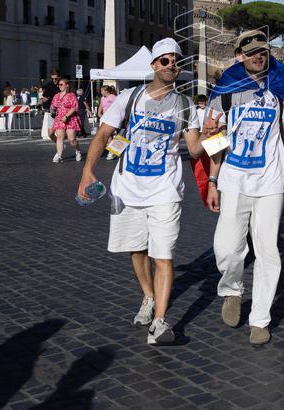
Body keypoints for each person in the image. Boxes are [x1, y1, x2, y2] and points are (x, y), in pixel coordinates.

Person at [77, 37, 204, 346]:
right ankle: (148, 296)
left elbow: (195, 150)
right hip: (128, 188)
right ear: (154, 65)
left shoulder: (185, 105)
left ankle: (159, 321)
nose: (171, 65)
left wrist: (217, 135)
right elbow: (103, 135)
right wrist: (87, 170)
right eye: (165, 60)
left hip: (165, 190)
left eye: (176, 61)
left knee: (163, 255)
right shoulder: (129, 98)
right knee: (137, 250)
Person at [201, 29, 284, 346]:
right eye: (252, 51)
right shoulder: (225, 90)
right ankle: (232, 288)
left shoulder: (280, 87)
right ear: (239, 56)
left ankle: (260, 318)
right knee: (226, 247)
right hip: (233, 177)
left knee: (267, 249)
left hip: (270, 180)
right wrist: (213, 179)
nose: (259, 56)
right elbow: (213, 138)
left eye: (264, 51)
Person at [50, 76, 82, 162]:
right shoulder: (56, 96)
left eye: (61, 84)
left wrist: (66, 116)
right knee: (60, 137)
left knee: (72, 140)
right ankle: (59, 156)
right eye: (59, 85)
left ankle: (77, 150)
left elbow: (74, 107)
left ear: (67, 85)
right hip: (59, 119)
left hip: (70, 118)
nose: (59, 86)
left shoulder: (71, 95)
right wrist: (52, 110)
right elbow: (53, 106)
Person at [98, 85, 119, 160]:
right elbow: (101, 108)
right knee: (108, 136)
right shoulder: (102, 98)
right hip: (105, 119)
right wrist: (99, 114)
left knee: (111, 136)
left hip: (113, 119)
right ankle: (112, 151)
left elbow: (118, 108)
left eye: (102, 91)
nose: (101, 92)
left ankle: (113, 151)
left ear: (106, 91)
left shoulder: (114, 97)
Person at [40, 69, 60, 138]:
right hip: (52, 110)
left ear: (59, 77)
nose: (54, 80)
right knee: (50, 134)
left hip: (62, 110)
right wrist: (45, 101)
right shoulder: (49, 85)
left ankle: (60, 143)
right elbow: (44, 97)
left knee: (60, 133)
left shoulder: (62, 84)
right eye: (52, 79)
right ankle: (59, 142)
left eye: (55, 78)